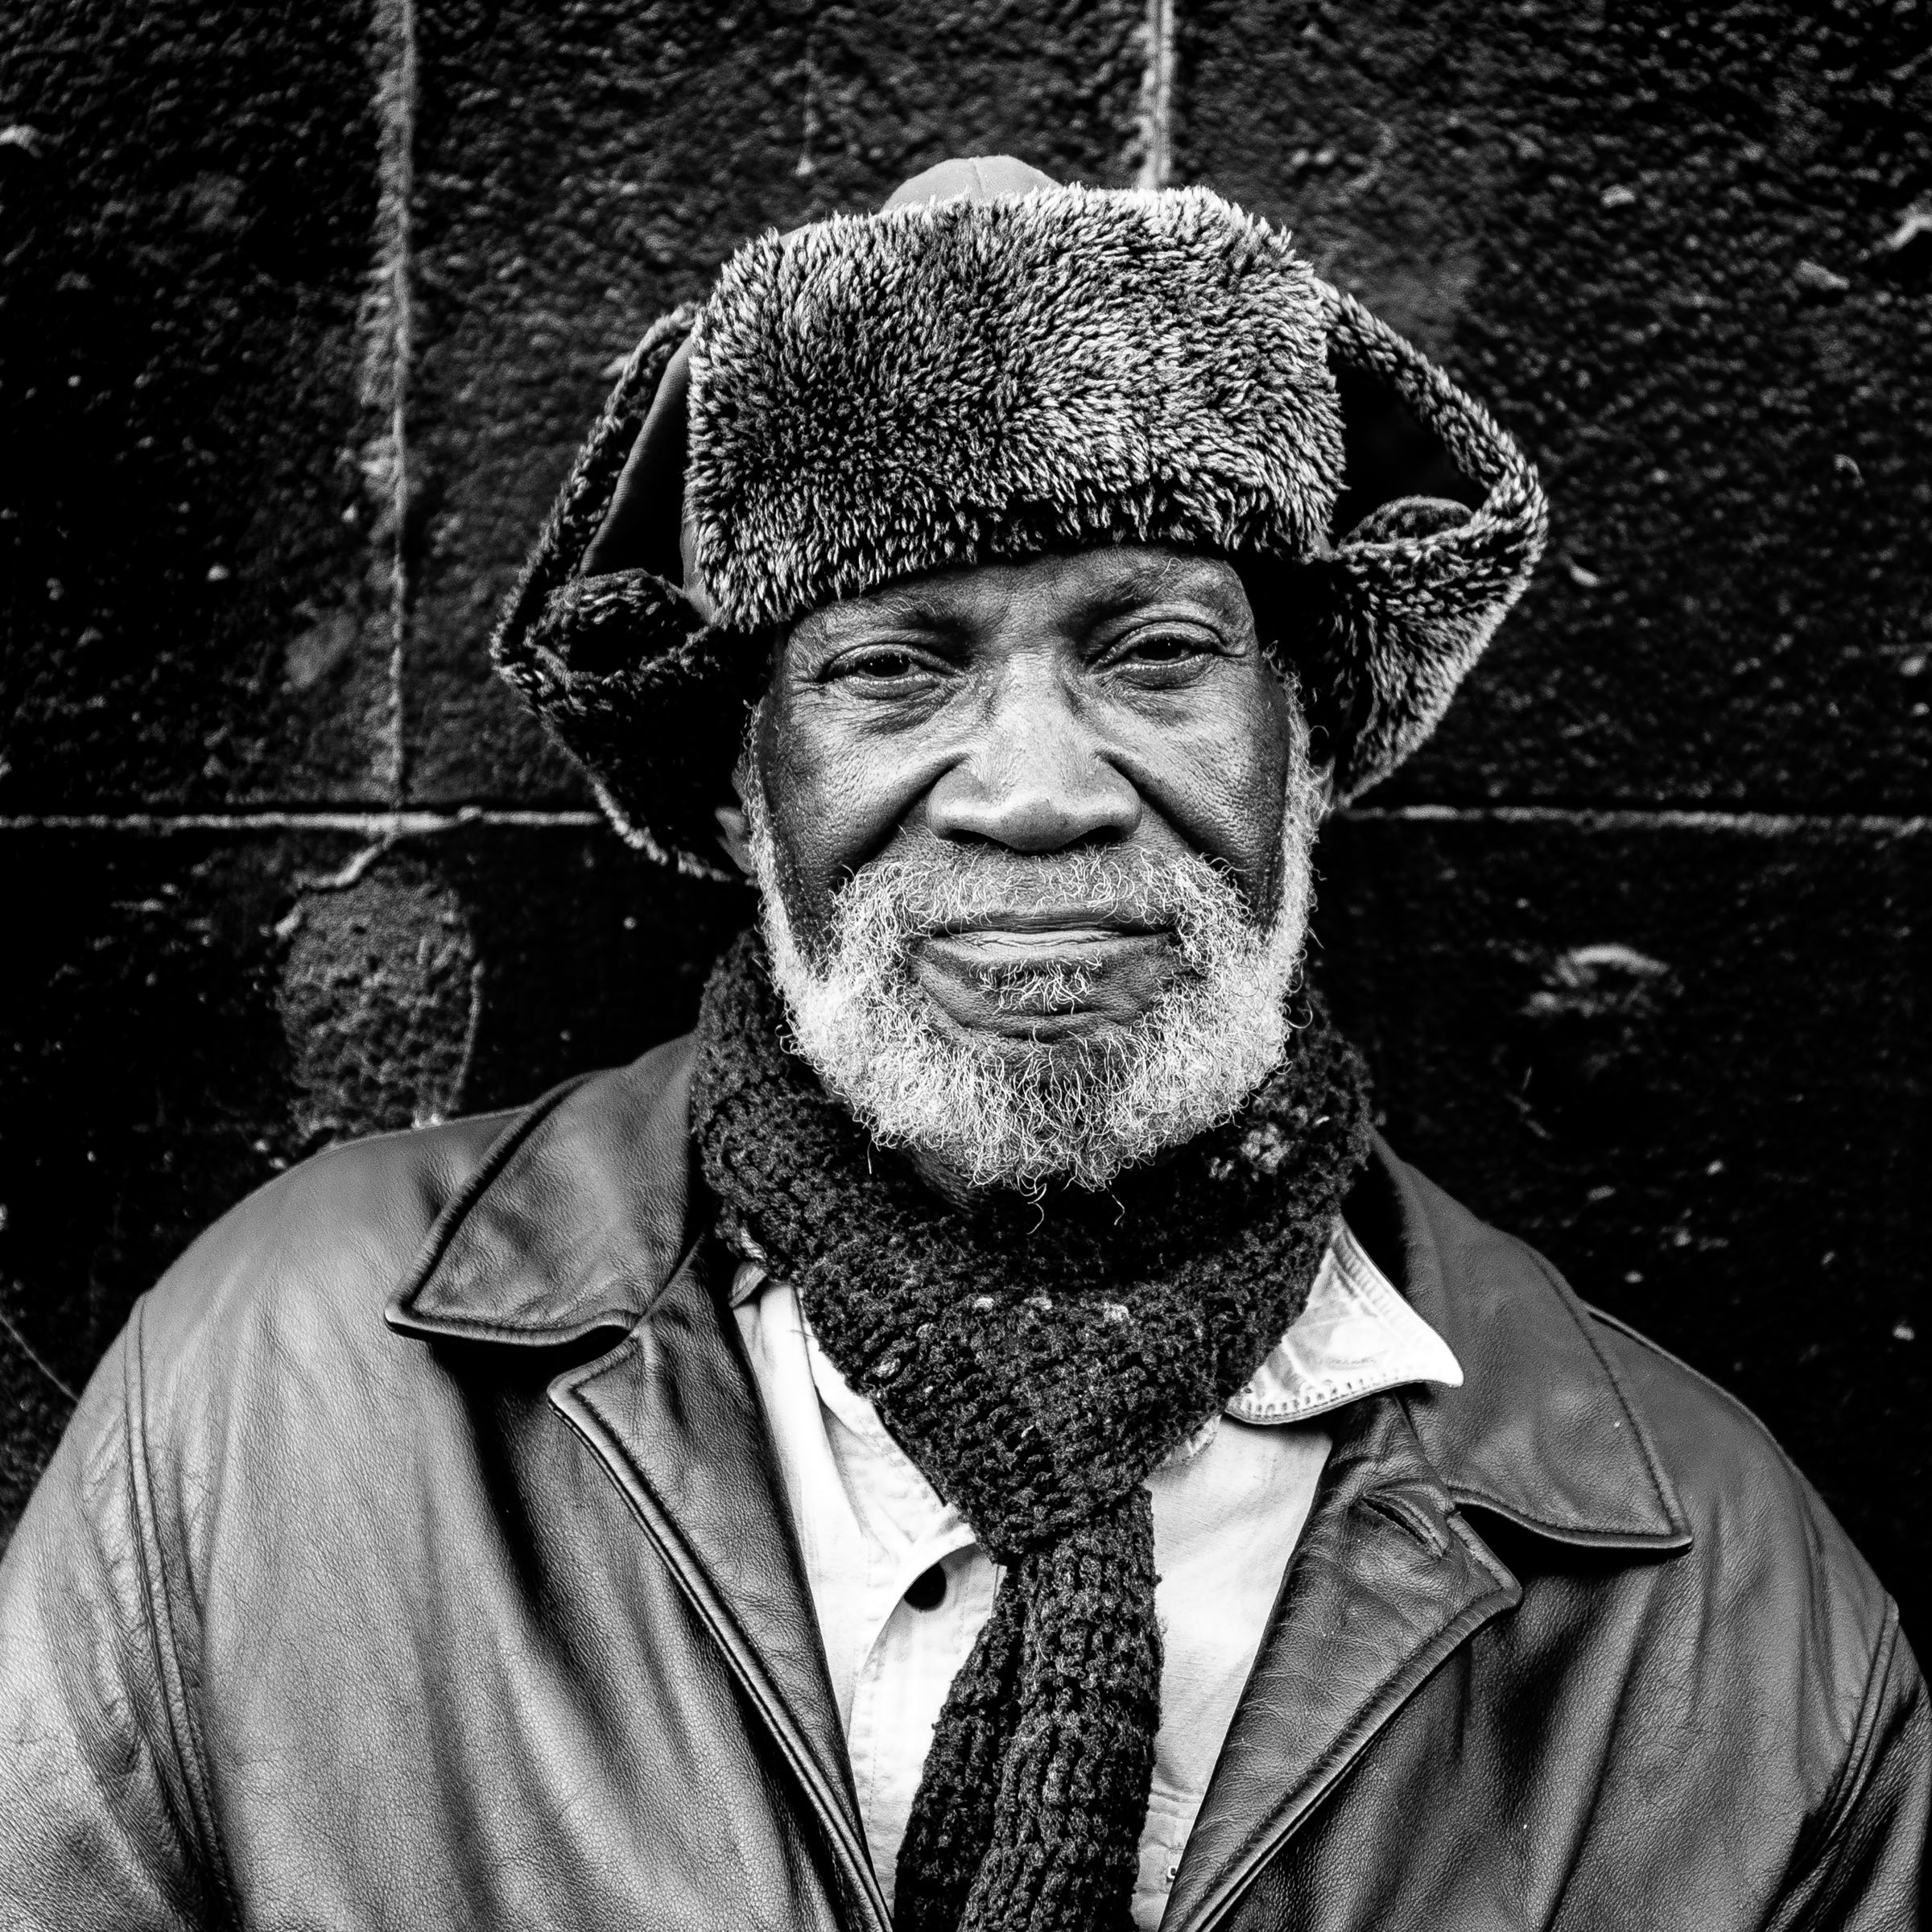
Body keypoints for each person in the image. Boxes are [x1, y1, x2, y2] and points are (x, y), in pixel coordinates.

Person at [1, 155, 1922, 1932]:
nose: (1033, 792)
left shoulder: (1715, 1593)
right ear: (747, 792)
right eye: (894, 667)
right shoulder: (280, 1391)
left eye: (1154, 653)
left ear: (1305, 750)